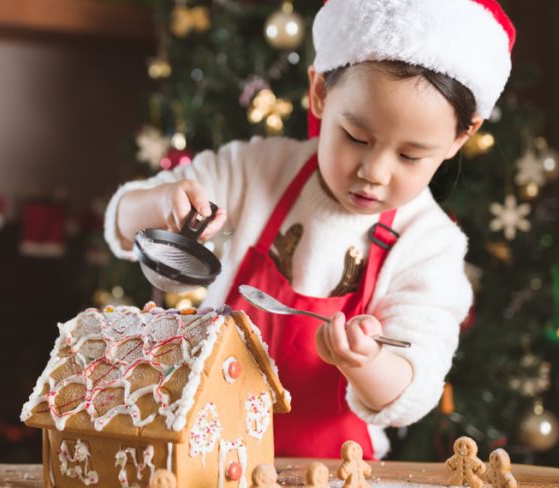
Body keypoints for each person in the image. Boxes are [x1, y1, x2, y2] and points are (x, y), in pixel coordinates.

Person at [104, 0, 515, 458]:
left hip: (334, 468)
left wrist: (367, 363)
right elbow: (124, 223)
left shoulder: (429, 245)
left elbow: (409, 393)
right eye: (357, 138)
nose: (374, 171)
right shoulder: (259, 169)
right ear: (319, 92)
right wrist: (163, 202)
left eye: (410, 156)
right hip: (209, 449)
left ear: (462, 135)